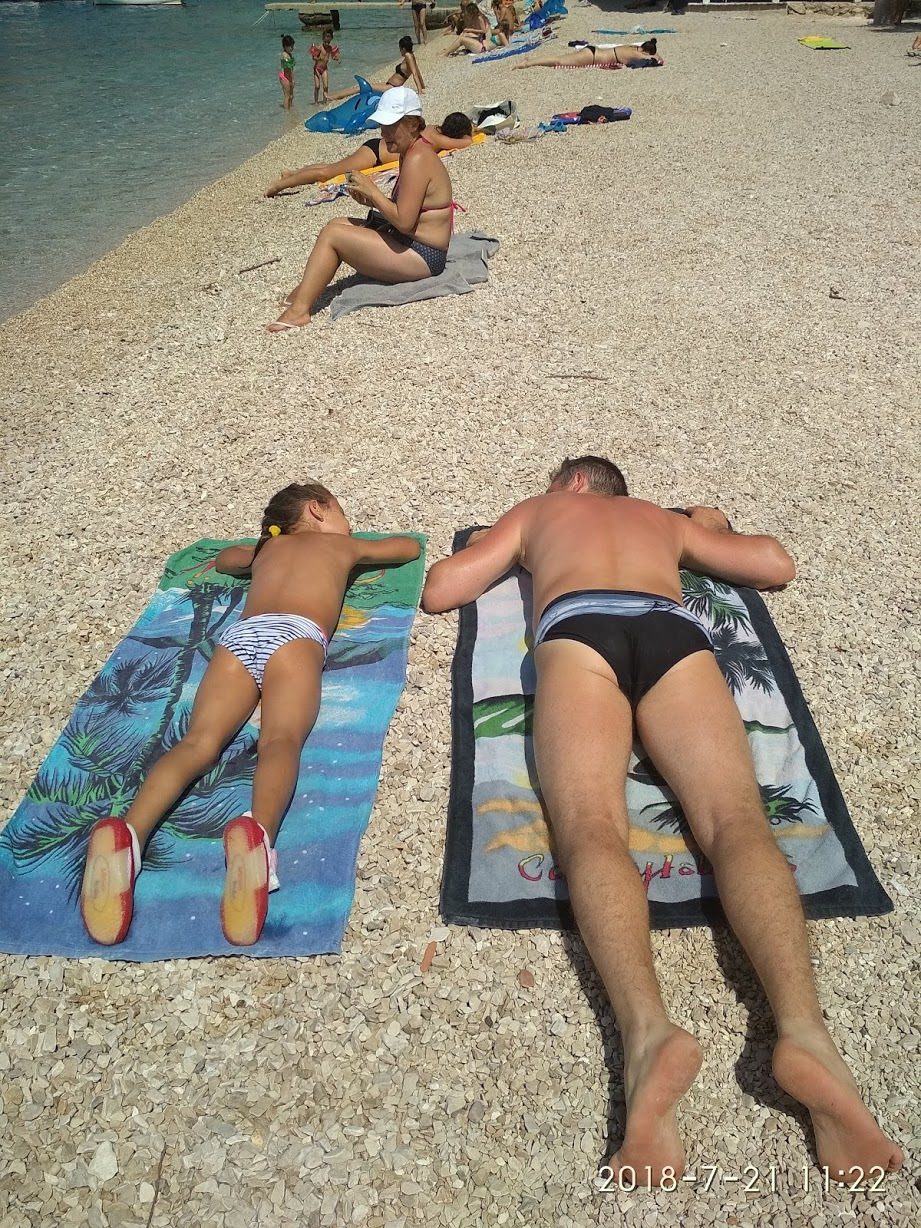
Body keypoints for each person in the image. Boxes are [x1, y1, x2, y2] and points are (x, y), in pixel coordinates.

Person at [421, 456, 904, 1186]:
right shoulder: (660, 520)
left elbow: (442, 590)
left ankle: (648, 1036)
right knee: (736, 822)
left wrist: (508, 544)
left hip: (579, 627)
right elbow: (775, 565)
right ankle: (807, 1035)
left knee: (590, 827)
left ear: (572, 484)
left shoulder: (539, 512)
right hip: (671, 633)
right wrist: (711, 526)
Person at [79, 482, 420, 949]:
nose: (349, 524)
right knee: (280, 740)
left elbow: (225, 560)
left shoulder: (265, 550)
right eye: (343, 512)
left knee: (198, 742)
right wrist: (356, 546)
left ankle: (130, 834)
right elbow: (405, 548)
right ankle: (258, 835)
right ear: (318, 509)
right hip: (295, 635)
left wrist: (264, 545)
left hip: (241, 638)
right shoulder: (342, 546)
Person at [267, 87, 456, 331]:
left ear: (412, 124)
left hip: (424, 255)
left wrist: (373, 192)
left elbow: (405, 221)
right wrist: (370, 199)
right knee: (336, 223)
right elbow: (408, 211)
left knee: (333, 235)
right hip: (411, 242)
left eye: (390, 125)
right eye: (382, 125)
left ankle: (299, 312)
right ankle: (305, 291)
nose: (383, 132)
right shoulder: (410, 151)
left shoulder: (418, 158)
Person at [264, 112, 475, 197]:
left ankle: (292, 173)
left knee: (331, 167)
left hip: (376, 149)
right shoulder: (439, 139)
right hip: (374, 154)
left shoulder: (433, 129)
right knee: (327, 173)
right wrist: (472, 133)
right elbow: (466, 143)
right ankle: (280, 185)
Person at [327, 36, 425, 100]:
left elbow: (415, 74)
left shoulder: (408, 56)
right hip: (389, 85)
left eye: (400, 49)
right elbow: (417, 72)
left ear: (403, 48)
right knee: (358, 86)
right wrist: (423, 86)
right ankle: (335, 94)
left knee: (359, 88)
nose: (400, 51)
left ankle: (333, 97)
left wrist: (420, 91)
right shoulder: (411, 56)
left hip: (392, 87)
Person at [513, 38, 664, 69]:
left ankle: (530, 61)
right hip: (591, 57)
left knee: (560, 59)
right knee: (558, 61)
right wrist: (655, 55)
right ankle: (528, 63)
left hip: (593, 51)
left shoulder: (633, 47)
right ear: (646, 51)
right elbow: (657, 59)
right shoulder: (638, 54)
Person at [309, 28, 340, 104]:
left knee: (326, 86)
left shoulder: (330, 48)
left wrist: (337, 59)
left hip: (324, 69)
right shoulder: (319, 48)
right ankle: (316, 102)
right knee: (317, 86)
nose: (327, 43)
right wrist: (318, 58)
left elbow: (333, 57)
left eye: (328, 42)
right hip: (317, 68)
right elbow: (313, 58)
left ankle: (325, 101)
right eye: (325, 42)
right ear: (322, 39)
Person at [278, 34, 296, 110]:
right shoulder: (284, 55)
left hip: (289, 76)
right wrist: (291, 80)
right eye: (291, 46)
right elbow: (287, 68)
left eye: (292, 46)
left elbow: (291, 69)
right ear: (285, 46)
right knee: (287, 96)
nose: (292, 48)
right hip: (284, 76)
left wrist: (292, 79)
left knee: (291, 96)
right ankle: (287, 112)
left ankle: (290, 109)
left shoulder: (290, 54)